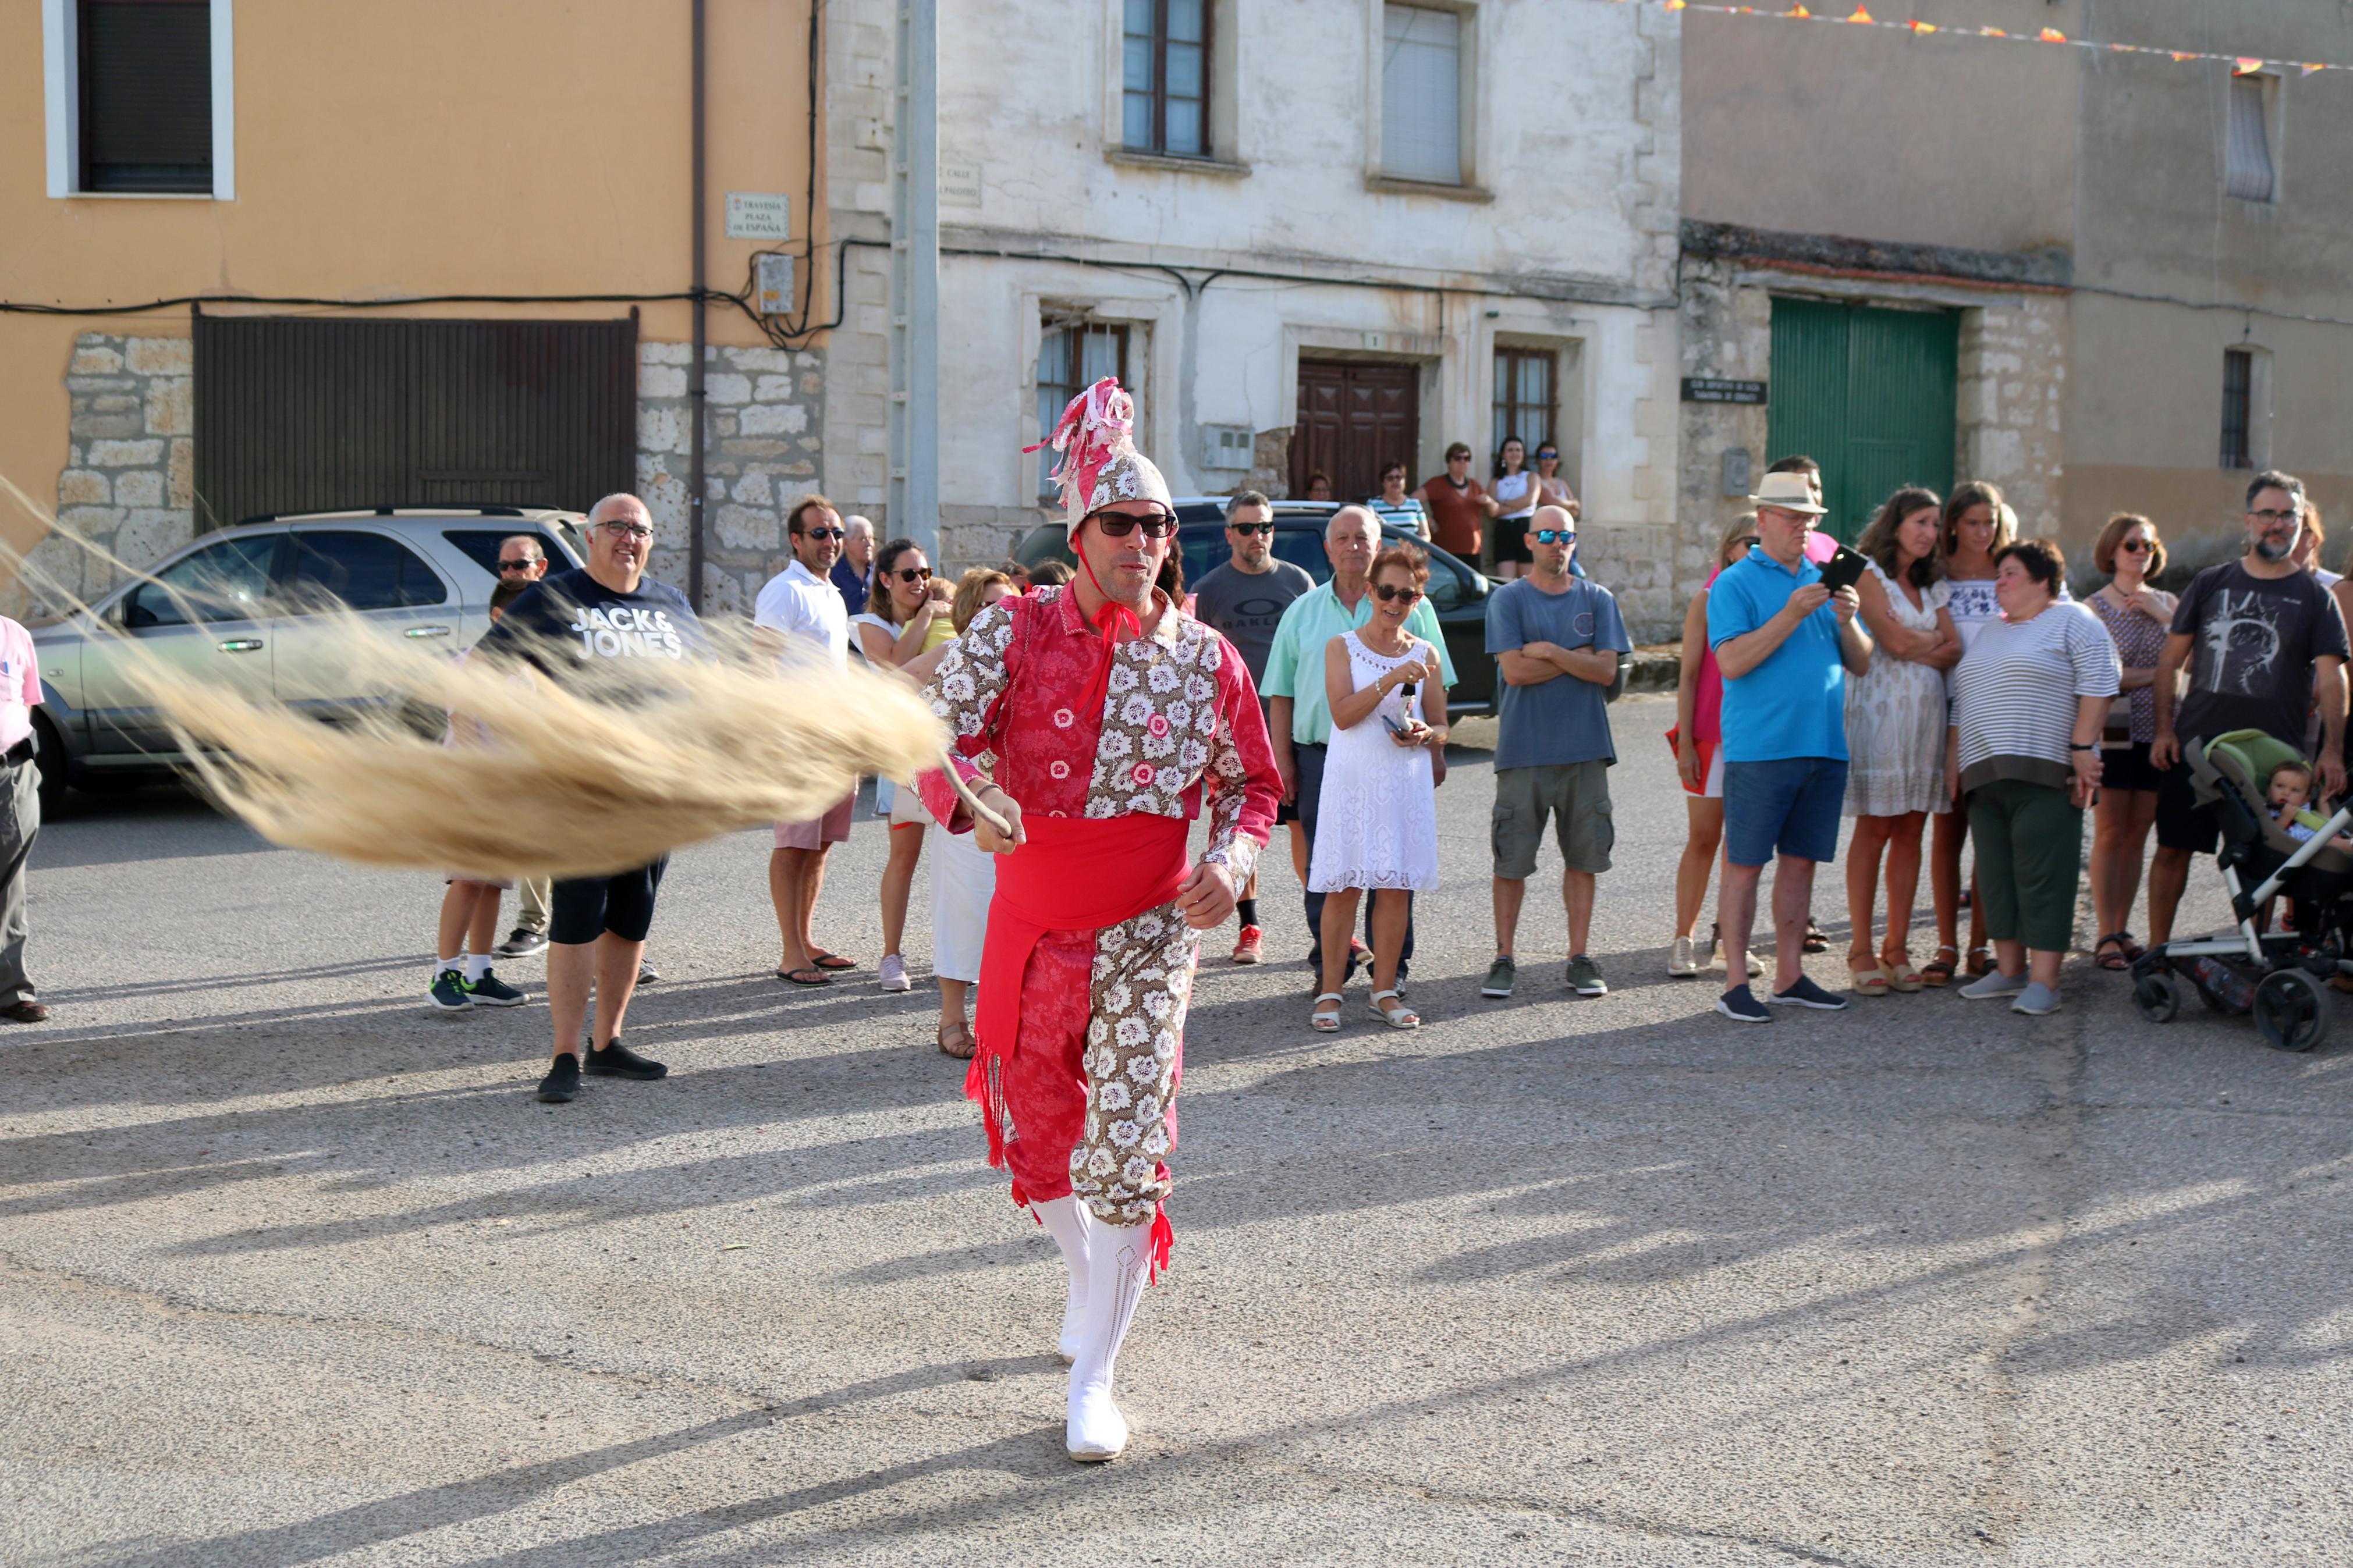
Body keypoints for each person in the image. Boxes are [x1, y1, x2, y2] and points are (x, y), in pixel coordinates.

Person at [914, 376, 1279, 1463]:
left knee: (1125, 1150)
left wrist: (1231, 858)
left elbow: (1250, 783)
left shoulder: (1206, 658)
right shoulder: (1013, 631)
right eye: (1120, 523)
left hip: (1148, 929)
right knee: (1038, 1138)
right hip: (1030, 924)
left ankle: (1095, 1377)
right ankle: (1085, 1271)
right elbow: (930, 732)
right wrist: (967, 800)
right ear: (1078, 536)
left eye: (1159, 525)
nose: (1143, 540)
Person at [471, 493, 708, 1104]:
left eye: (640, 529)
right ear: (591, 537)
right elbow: (481, 670)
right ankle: (564, 1054)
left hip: (652, 793)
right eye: (616, 527)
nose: (629, 537)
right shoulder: (553, 599)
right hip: (577, 792)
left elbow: (709, 688)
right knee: (576, 920)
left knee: (632, 918)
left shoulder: (671, 605)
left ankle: (608, 1043)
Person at [2148, 471, 2352, 947]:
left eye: (2288, 515)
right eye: (2268, 514)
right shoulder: (2210, 583)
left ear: (2301, 525)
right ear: (2248, 520)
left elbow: (2332, 678)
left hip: (2270, 759)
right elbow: (2170, 660)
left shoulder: (2315, 598)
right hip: (2197, 749)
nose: (2277, 524)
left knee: (2262, 860)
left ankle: (2251, 957)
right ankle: (2156, 952)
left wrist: (2333, 751)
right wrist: (2164, 729)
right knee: (2173, 849)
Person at [1263, 507, 1459, 990]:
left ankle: (1391, 975)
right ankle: (1329, 973)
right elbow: (1281, 692)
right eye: (1343, 538)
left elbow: (1437, 699)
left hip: (1396, 762)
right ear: (1328, 548)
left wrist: (1433, 745)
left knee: (1394, 875)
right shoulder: (1303, 611)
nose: (1353, 546)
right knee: (1328, 875)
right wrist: (1281, 760)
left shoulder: (1420, 611)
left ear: (1377, 548)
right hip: (1321, 758)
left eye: (1362, 538)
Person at [1706, 472, 1873, 1022]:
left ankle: (1789, 975)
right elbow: (1731, 662)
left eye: (1809, 519)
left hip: (1823, 745)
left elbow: (1863, 661)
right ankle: (1735, 981)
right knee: (1745, 865)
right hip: (1761, 747)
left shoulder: (1821, 579)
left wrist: (1847, 622)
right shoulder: (1734, 583)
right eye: (1792, 517)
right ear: (1763, 521)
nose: (1804, 527)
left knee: (1800, 864)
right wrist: (1791, 613)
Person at [1945, 539, 2118, 1016]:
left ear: (2044, 581)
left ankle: (2046, 979)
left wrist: (2083, 748)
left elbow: (2099, 682)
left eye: (2011, 573)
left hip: (2045, 770)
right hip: (1984, 772)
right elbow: (1962, 699)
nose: (1999, 581)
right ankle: (2009, 969)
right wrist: (1953, 759)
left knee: (2042, 874)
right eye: (1999, 573)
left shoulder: (2072, 620)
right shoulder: (1989, 632)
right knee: (1996, 876)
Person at [1481, 506, 1628, 1000]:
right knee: (1512, 862)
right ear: (1528, 542)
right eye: (1546, 534)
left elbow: (1608, 672)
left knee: (1584, 858)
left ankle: (1579, 956)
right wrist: (1579, 659)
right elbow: (1515, 673)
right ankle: (1504, 957)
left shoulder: (1598, 599)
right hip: (1523, 751)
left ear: (1574, 541)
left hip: (1586, 750)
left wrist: (1547, 651)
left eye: (1564, 535)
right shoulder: (1509, 600)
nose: (1556, 543)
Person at [1308, 543, 1446, 1030]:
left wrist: (1428, 735)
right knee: (1343, 886)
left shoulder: (1425, 652)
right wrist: (1390, 677)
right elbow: (1342, 716)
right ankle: (1329, 992)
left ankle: (1383, 990)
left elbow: (1443, 725)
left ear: (1418, 599)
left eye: (1406, 594)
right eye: (1386, 590)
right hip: (1353, 779)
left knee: (1394, 889)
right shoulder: (1341, 646)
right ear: (1369, 591)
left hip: (1401, 781)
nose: (1394, 601)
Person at [1841, 488, 1961, 995]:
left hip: (1925, 722)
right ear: (1894, 524)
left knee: (1912, 829)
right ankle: (1861, 947)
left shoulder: (1932, 585)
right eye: (1920, 521)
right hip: (1878, 716)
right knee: (1875, 828)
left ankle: (1896, 946)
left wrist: (1922, 643)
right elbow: (1889, 641)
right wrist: (1925, 642)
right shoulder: (1867, 571)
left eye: (1935, 524)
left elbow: (1954, 648)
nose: (1929, 533)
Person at [1189, 491, 1316, 965]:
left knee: (1306, 828)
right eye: (1246, 528)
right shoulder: (1210, 590)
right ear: (1229, 535)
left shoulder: (1297, 582)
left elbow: (1315, 654)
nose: (1256, 536)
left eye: (1263, 527)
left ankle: (1327, 928)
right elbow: (1196, 665)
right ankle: (1250, 929)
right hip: (1235, 734)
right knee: (1241, 831)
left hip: (1293, 727)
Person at [756, 495, 861, 987]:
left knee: (819, 845)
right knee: (793, 844)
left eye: (836, 533)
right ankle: (789, 951)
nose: (831, 542)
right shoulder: (784, 591)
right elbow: (763, 663)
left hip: (836, 735)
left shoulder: (832, 593)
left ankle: (806, 939)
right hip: (799, 737)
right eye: (819, 533)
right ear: (796, 540)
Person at [851, 536, 957, 993]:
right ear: (886, 579)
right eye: (910, 574)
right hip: (903, 754)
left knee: (959, 858)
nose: (920, 582)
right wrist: (930, 615)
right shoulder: (868, 623)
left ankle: (955, 955)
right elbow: (897, 663)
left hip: (947, 748)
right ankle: (891, 956)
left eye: (926, 573)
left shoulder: (938, 615)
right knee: (903, 859)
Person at [428, 577, 534, 1014]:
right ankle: (444, 973)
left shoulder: (527, 674)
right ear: (497, 618)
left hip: (508, 792)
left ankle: (480, 972)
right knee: (468, 879)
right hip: (470, 790)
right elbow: (467, 730)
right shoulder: (466, 666)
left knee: (493, 883)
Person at [925, 567, 1016, 1058]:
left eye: (1006, 605)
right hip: (966, 792)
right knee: (962, 906)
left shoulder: (1035, 656)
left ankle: (1007, 1018)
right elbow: (899, 689)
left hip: (1025, 799)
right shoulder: (952, 656)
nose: (997, 615)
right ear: (966, 614)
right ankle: (953, 1015)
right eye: (985, 606)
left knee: (1018, 911)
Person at [1670, 515, 1765, 982]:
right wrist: (1686, 740)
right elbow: (1687, 676)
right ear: (1729, 549)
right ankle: (1683, 938)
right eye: (1751, 542)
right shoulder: (1706, 600)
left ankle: (1731, 937)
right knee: (1704, 838)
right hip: (1711, 734)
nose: (1758, 549)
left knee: (1742, 844)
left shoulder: (1773, 599)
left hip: (1758, 736)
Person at [1926, 480, 2011, 983]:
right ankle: (1944, 943)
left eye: (1990, 522)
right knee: (1946, 830)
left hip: (1999, 714)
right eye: (1973, 522)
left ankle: (1981, 942)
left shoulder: (2012, 570)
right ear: (1953, 524)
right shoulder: (1935, 577)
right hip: (1940, 710)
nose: (1982, 532)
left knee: (1988, 832)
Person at [2085, 514, 2175, 970]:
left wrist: (2163, 616)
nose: (2140, 551)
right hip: (2112, 730)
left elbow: (2194, 659)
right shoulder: (2093, 608)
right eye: (2130, 544)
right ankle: (2103, 931)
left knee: (2138, 834)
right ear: (2111, 551)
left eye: (2148, 544)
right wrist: (2159, 676)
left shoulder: (2169, 604)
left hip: (2157, 729)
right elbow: (2104, 676)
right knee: (2110, 832)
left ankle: (2122, 929)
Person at [491, 534, 555, 962]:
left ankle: (614, 939)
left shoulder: (563, 615)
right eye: (506, 566)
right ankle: (534, 922)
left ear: (541, 566)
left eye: (521, 564)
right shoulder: (501, 617)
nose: (513, 572)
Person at [0, 604, 47, 1023]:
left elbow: (27, 704)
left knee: (10, 881)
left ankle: (12, 992)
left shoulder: (15, 635)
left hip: (11, 772)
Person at [1418, 442, 1500, 564]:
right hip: (1445, 550)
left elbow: (1494, 512)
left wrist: (1489, 501)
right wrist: (1428, 521)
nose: (1463, 462)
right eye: (1458, 458)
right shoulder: (1438, 484)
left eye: (1467, 459)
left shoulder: (1475, 485)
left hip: (1473, 550)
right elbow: (1412, 501)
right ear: (1449, 461)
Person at [2267, 760, 2352, 851]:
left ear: (2305, 799)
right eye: (2280, 786)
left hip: (2334, 836)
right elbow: (2269, 835)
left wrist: (2322, 801)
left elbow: (2324, 821)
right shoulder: (2270, 810)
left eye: (2295, 790)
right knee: (2325, 841)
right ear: (2269, 791)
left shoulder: (2304, 809)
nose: (2286, 793)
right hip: (2307, 847)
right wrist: (2284, 818)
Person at [1488, 436, 1539, 581]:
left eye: (1518, 450)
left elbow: (1529, 501)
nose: (1515, 453)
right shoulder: (1496, 482)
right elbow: (1493, 511)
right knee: (1506, 581)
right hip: (1504, 530)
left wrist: (1503, 504)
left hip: (1526, 527)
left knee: (1528, 580)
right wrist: (1514, 507)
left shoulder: (1531, 477)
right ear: (1503, 455)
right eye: (1510, 450)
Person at [1367, 460, 1431, 541]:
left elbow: (1425, 535)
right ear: (1383, 483)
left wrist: (1416, 548)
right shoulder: (1373, 504)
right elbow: (1370, 534)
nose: (1395, 481)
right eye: (1390, 478)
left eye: (1399, 477)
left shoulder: (1415, 504)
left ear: (1405, 481)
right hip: (1384, 552)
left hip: (1411, 551)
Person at [831, 514, 877, 610]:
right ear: (846, 543)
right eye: (863, 539)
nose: (870, 544)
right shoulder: (833, 573)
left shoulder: (879, 571)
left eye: (871, 538)